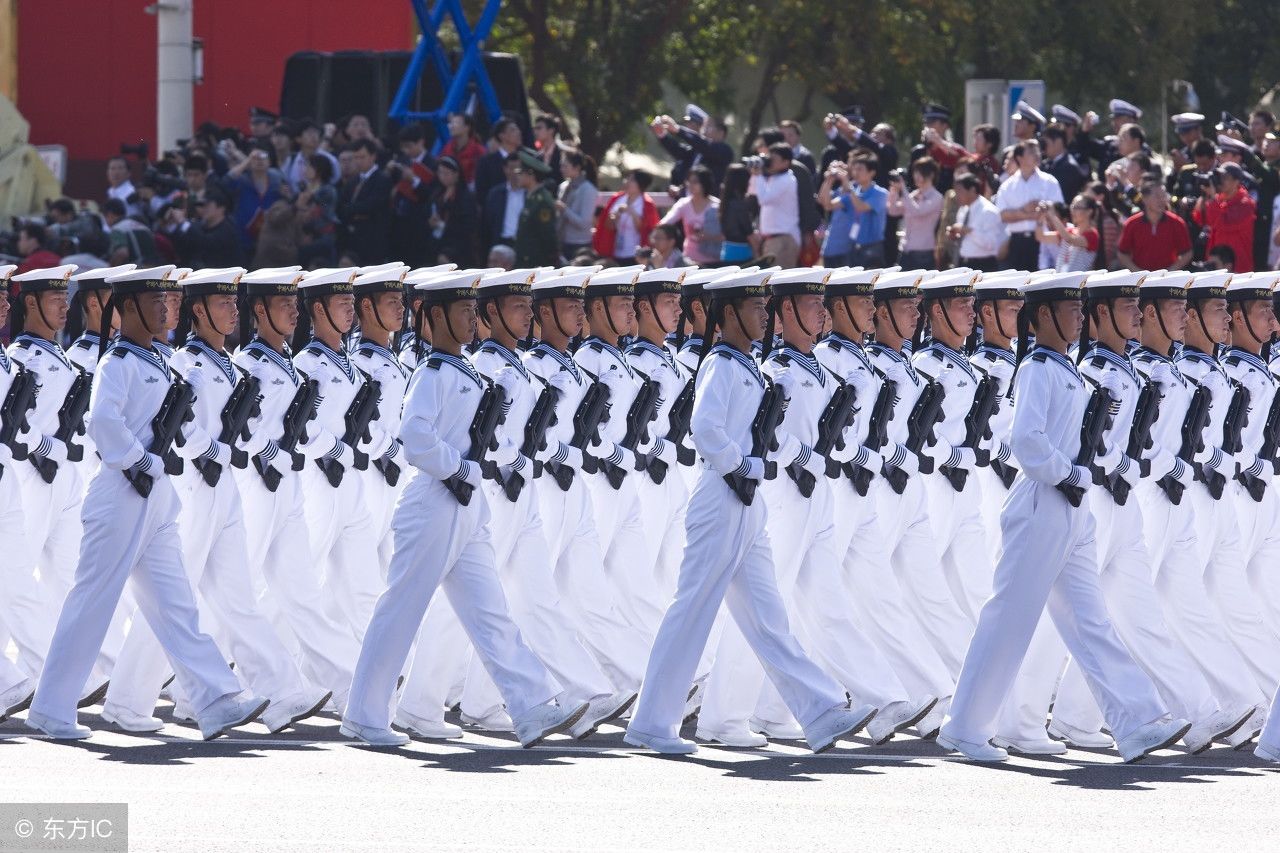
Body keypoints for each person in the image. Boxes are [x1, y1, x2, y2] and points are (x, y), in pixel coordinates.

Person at [937, 271, 1189, 764]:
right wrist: (1067, 471)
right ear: (1045, 315)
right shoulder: (1038, 367)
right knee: (1009, 618)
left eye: (1080, 310)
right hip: (1042, 502)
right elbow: (1025, 442)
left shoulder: (1066, 368)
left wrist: (1076, 473)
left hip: (1071, 506)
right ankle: (964, 727)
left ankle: (1136, 721)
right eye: (1070, 311)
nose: (1079, 319)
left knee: (1089, 619)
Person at [624, 267, 877, 755]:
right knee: (691, 611)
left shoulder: (745, 363)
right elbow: (705, 427)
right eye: (756, 308)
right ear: (730, 313)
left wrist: (750, 467)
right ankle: (652, 723)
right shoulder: (721, 362)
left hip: (746, 499)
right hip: (721, 496)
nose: (764, 316)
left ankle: (820, 713)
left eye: (766, 307)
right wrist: (745, 463)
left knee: (767, 615)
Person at [340, 270, 588, 747]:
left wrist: (469, 473)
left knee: (490, 609)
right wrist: (461, 468)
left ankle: (531, 706)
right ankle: (366, 714)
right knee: (401, 611)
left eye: (475, 311)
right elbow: (414, 437)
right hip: (434, 501)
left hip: (465, 503)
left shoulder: (464, 369)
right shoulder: (432, 372)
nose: (472, 319)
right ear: (434, 317)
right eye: (462, 311)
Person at [25, 264, 267, 741]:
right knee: (92, 603)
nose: (165, 310)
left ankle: (216, 701)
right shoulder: (118, 362)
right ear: (128, 307)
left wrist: (154, 467)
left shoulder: (155, 358)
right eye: (155, 301)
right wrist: (141, 459)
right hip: (120, 494)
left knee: (176, 604)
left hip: (154, 498)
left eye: (167, 300)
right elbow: (101, 422)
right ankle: (51, 709)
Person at [102, 267, 332, 734]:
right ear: (198, 310)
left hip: (224, 486)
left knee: (236, 596)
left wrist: (230, 452)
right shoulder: (186, 362)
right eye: (221, 304)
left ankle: (278, 693)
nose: (231, 312)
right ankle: (126, 701)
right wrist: (211, 450)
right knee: (173, 601)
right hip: (191, 485)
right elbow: (173, 423)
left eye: (233, 303)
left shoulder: (230, 364)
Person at [994, 140, 1064, 269]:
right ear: (1019, 158)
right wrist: (1026, 212)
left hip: (1044, 241)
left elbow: (1060, 210)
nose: (1037, 154)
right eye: (1031, 152)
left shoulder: (1049, 181)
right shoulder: (1007, 186)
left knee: (1042, 285)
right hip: (1016, 242)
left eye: (1037, 150)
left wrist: (1046, 208)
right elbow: (1002, 216)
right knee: (1017, 286)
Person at [336, 139, 393, 266]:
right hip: (352, 239)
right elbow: (341, 206)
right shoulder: (353, 181)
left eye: (362, 157)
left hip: (372, 239)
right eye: (356, 157)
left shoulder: (382, 179)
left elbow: (372, 205)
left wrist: (351, 209)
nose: (358, 161)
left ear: (373, 156)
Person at [1194, 163, 1258, 273]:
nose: (1220, 181)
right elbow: (1200, 219)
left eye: (1225, 177)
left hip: (1238, 267)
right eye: (1219, 177)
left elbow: (1223, 223)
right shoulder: (1218, 199)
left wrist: (1213, 199)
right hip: (1216, 264)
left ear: (1236, 181)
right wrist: (1204, 196)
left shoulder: (1246, 204)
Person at [1116, 182, 1193, 272]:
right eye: (1157, 196)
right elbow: (1122, 253)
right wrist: (1137, 272)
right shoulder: (1132, 224)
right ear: (1145, 199)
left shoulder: (1177, 223)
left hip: (1168, 279)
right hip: (1140, 280)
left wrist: (1170, 271)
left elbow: (1187, 252)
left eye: (1163, 196)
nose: (1161, 200)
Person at [748, 143, 801, 267]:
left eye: (774, 159)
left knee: (778, 284)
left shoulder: (787, 180)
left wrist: (760, 174)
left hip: (783, 239)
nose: (769, 162)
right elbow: (752, 192)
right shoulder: (774, 178)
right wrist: (755, 173)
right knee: (768, 283)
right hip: (771, 239)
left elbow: (763, 199)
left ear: (786, 162)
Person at [888, 157, 944, 269]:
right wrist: (894, 191)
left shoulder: (937, 197)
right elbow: (893, 211)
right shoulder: (913, 195)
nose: (917, 177)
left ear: (931, 175)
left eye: (921, 173)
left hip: (923, 252)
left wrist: (903, 190)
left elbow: (918, 211)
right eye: (915, 173)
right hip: (905, 249)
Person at [659, 165, 721, 265]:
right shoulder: (684, 204)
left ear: (705, 183)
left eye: (695, 182)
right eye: (689, 181)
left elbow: (726, 235)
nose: (690, 185)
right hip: (688, 260)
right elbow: (665, 223)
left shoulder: (717, 206)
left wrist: (708, 237)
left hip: (713, 261)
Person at [593, 170, 660, 263]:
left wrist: (632, 212)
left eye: (632, 180)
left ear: (640, 184)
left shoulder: (647, 204)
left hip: (635, 254)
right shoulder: (618, 199)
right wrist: (614, 217)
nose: (627, 181)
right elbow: (607, 226)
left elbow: (646, 230)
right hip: (615, 251)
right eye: (627, 178)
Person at [168, 189, 245, 269]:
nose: (204, 208)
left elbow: (206, 242)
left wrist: (183, 222)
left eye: (208, 205)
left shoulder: (228, 230)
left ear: (221, 208)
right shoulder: (201, 225)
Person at [426, 156, 478, 267]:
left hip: (458, 245)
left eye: (446, 173)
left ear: (456, 174)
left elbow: (467, 225)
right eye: (440, 173)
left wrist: (444, 225)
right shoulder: (437, 194)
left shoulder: (465, 197)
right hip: (437, 242)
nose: (443, 177)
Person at [947, 174, 1006, 271]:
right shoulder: (963, 210)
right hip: (963, 263)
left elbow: (991, 244)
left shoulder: (989, 211)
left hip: (983, 264)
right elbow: (965, 240)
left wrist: (969, 231)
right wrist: (955, 236)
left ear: (972, 190)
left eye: (959, 191)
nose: (956, 195)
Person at [513, 149, 558, 267]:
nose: (517, 176)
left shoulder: (542, 201)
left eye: (520, 172)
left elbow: (548, 237)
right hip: (525, 261)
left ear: (531, 174)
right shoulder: (531, 197)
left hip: (536, 263)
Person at [1037, 194, 1101, 272]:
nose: (1073, 211)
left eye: (1077, 207)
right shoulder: (1069, 231)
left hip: (1079, 282)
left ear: (1089, 212)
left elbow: (1069, 239)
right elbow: (1041, 237)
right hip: (1062, 279)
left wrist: (1052, 215)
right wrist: (1040, 218)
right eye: (1072, 206)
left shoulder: (1092, 234)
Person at [845, 154, 889, 267]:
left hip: (872, 247)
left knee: (869, 284)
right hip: (853, 245)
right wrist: (829, 180)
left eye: (860, 169)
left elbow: (861, 207)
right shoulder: (854, 191)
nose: (855, 173)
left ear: (872, 172)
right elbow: (827, 204)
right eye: (854, 169)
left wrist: (848, 188)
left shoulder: (881, 193)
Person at [556, 149, 599, 260]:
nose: (561, 169)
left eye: (565, 166)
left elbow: (584, 223)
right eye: (561, 166)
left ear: (577, 167)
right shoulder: (563, 186)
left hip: (579, 244)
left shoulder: (587, 189)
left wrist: (564, 209)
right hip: (561, 241)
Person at [475, 117, 524, 207]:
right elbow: (481, 193)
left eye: (518, 129)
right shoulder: (486, 162)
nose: (518, 132)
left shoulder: (526, 159)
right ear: (502, 136)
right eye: (513, 130)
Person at [817, 159, 855, 266]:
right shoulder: (839, 191)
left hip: (845, 249)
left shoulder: (854, 191)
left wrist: (844, 178)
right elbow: (822, 200)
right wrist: (828, 180)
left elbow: (829, 206)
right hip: (831, 247)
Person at [718, 164, 759, 263]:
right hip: (742, 253)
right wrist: (758, 255)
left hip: (726, 251)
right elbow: (749, 232)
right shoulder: (739, 205)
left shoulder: (725, 202)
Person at [440, 112, 488, 189]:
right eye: (451, 123)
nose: (452, 126)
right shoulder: (447, 147)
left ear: (467, 127)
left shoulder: (478, 150)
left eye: (456, 123)